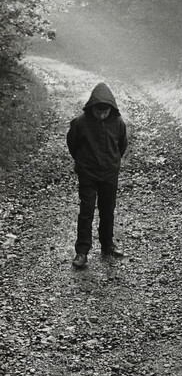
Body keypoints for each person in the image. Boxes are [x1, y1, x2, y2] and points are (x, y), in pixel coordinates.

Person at [66, 83, 128, 269]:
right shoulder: (80, 122)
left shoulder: (118, 123)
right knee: (86, 211)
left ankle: (107, 245)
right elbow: (73, 144)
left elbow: (121, 146)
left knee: (107, 209)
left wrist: (113, 162)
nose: (101, 115)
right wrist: (83, 163)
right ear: (91, 107)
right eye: (98, 112)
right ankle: (82, 252)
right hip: (88, 174)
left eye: (105, 112)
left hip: (109, 174)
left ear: (111, 108)